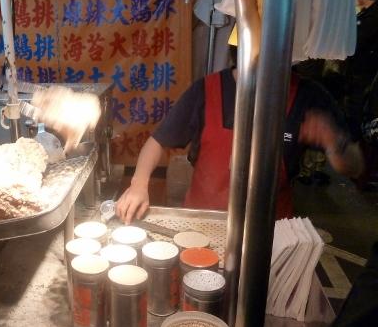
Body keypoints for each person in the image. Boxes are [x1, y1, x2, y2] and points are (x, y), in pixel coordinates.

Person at [115, 64, 364, 224]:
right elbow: (157, 141)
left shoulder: (308, 95)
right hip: (204, 221)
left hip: (271, 230)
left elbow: (355, 167)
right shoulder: (207, 89)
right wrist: (138, 184)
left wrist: (334, 144)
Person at [344, 0, 378, 141]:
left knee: (358, 105)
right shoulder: (367, 13)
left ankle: (355, 138)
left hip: (365, 71)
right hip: (365, 70)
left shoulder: (371, 18)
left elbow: (358, 42)